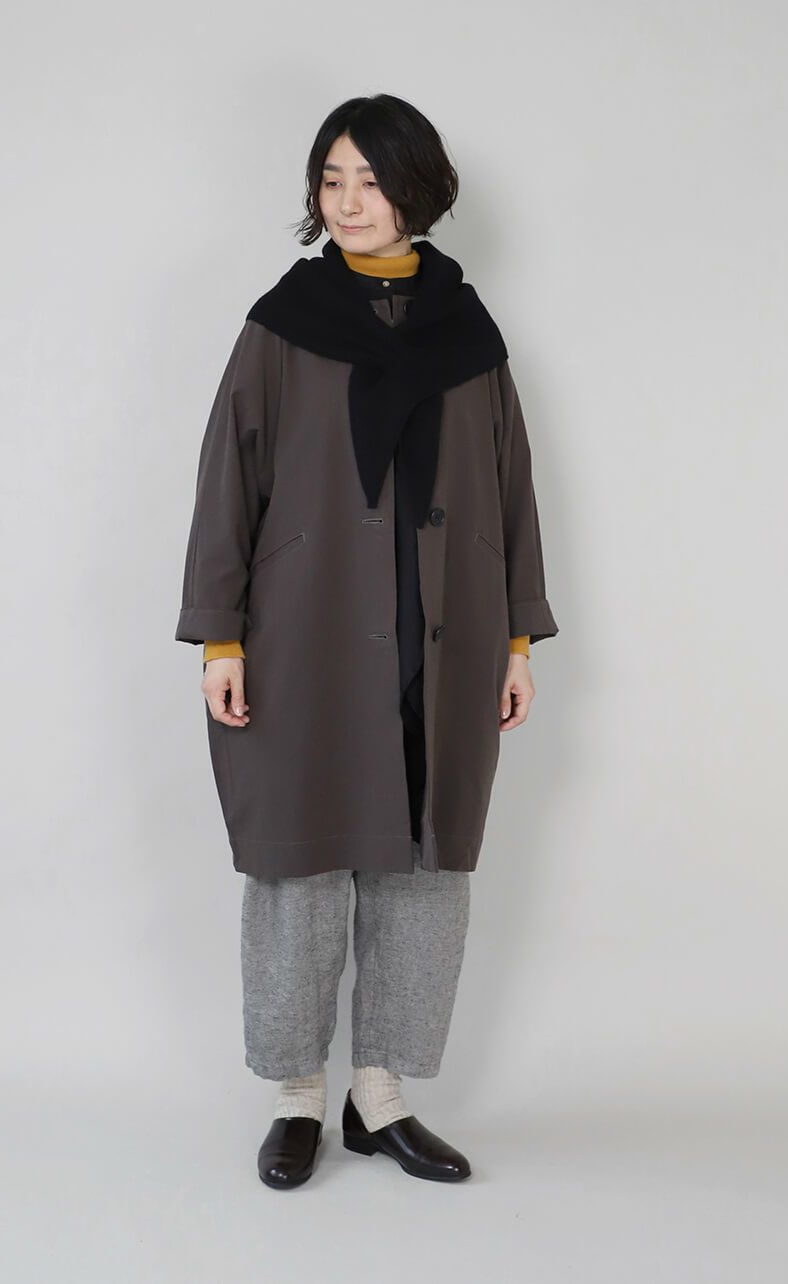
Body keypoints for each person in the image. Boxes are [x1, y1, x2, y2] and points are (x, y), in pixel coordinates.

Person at [175, 94, 559, 1188]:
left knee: (423, 866)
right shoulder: (284, 325)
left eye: (373, 181)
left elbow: (511, 486)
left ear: (417, 192)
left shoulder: (469, 333)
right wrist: (219, 640)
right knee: (298, 862)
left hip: (446, 637)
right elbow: (227, 482)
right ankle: (297, 1096)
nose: (349, 202)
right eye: (332, 179)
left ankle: (378, 1099)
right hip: (302, 637)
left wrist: (519, 637)